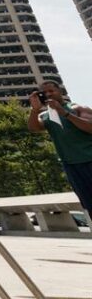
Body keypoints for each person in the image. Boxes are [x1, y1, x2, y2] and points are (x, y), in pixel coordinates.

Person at [28, 81, 92, 212]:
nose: (48, 94)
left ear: (60, 92)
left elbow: (90, 127)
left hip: (89, 159)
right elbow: (33, 128)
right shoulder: (46, 116)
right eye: (44, 93)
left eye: (51, 91)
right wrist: (34, 110)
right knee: (88, 203)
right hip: (71, 165)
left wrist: (64, 113)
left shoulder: (77, 108)